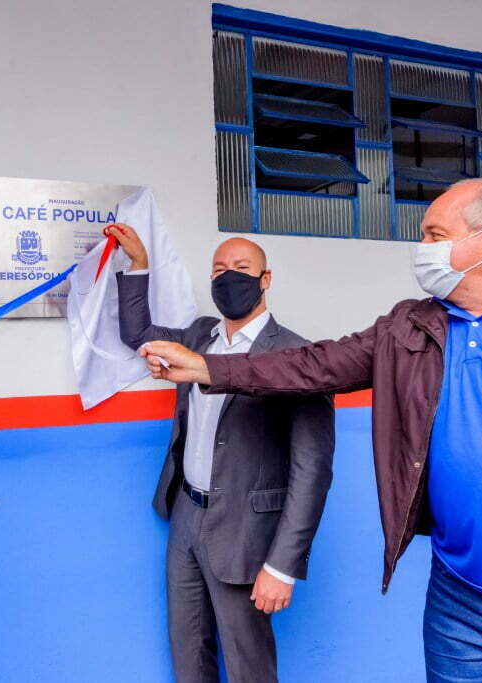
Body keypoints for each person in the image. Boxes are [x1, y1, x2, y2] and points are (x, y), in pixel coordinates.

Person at [138, 178, 482, 682]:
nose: (422, 249)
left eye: (435, 235)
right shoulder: (410, 328)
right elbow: (313, 365)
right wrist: (208, 369)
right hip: (463, 604)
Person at [108, 225, 334, 682]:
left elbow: (312, 470)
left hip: (247, 532)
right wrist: (138, 265)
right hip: (187, 515)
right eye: (219, 270)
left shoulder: (296, 354)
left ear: (265, 279)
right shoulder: (198, 336)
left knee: (247, 661)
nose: (228, 277)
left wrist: (283, 565)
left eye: (242, 269)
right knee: (188, 652)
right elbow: (139, 333)